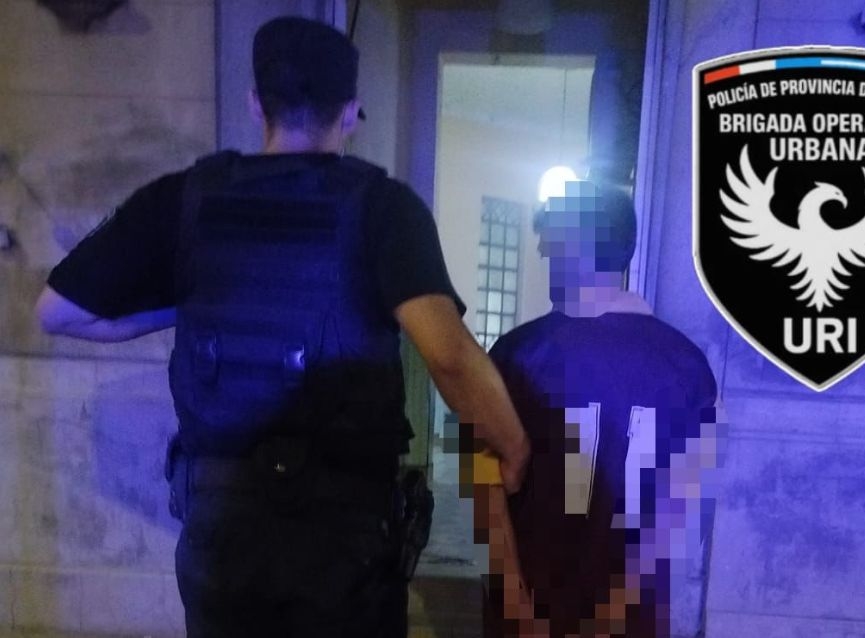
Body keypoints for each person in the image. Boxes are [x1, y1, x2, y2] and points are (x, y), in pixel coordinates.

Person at [34, 16, 530, 638]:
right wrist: (512, 444)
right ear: (348, 113)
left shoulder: (182, 198)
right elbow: (448, 356)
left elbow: (58, 311)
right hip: (343, 541)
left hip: (222, 533)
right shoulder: (384, 207)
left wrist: (191, 302)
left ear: (255, 104)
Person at [475, 180, 721, 637]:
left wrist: (513, 599)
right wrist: (617, 611)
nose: (544, 255)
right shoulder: (689, 367)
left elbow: (485, 487)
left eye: (550, 244)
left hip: (532, 606)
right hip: (632, 617)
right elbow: (683, 508)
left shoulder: (514, 354)